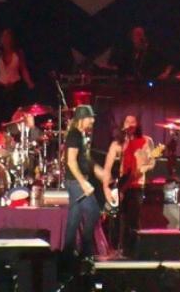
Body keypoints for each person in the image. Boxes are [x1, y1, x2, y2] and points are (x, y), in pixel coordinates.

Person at [102, 114, 155, 255]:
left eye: (133, 122)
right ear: (122, 125)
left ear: (137, 125)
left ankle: (131, 251)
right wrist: (106, 187)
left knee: (133, 220)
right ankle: (114, 249)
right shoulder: (117, 144)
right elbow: (107, 167)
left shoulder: (145, 141)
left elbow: (151, 163)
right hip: (121, 185)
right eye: (127, 121)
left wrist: (142, 168)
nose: (130, 124)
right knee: (116, 220)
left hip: (136, 184)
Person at [63, 105, 108, 258]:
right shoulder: (74, 135)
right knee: (94, 211)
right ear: (82, 119)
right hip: (76, 182)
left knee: (74, 218)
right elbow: (71, 161)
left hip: (76, 181)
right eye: (90, 118)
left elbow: (85, 159)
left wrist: (98, 171)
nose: (93, 121)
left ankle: (67, 254)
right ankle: (85, 250)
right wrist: (83, 182)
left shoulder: (81, 135)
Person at [0, 29, 34, 124]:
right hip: (1, 88)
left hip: (15, 88)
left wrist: (29, 82)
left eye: (8, 36)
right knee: (1, 116)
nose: (6, 39)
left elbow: (23, 69)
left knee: (15, 115)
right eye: (4, 37)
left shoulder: (18, 53)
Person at [108, 26, 173, 81]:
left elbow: (168, 62)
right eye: (137, 35)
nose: (140, 37)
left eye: (141, 34)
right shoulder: (128, 53)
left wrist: (166, 73)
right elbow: (121, 68)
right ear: (132, 38)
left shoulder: (153, 51)